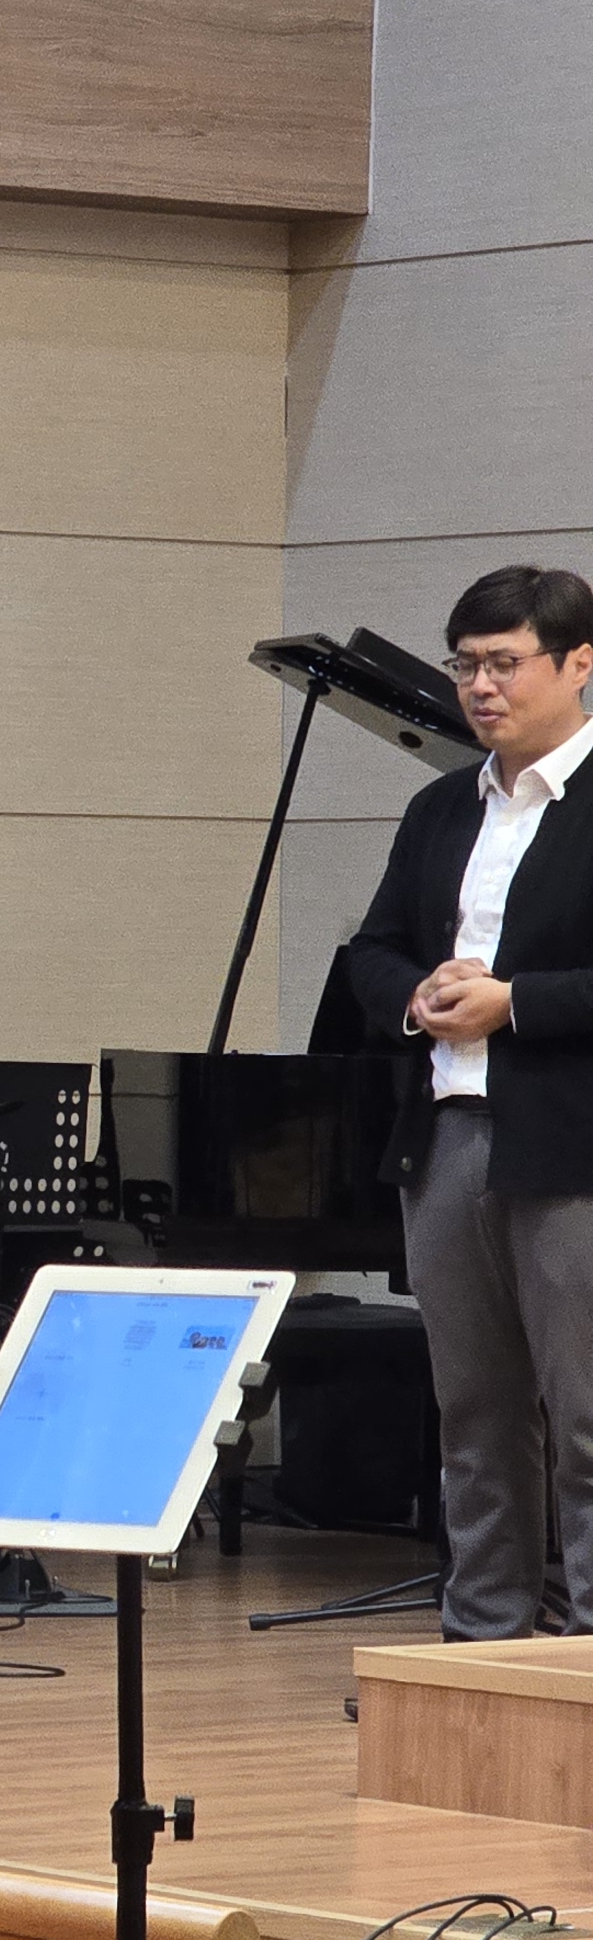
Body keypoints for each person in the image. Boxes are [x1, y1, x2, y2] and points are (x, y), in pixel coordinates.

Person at [346, 561, 593, 1639]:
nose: (479, 687)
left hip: (571, 1148)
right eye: (464, 665)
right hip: (445, 1138)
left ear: (577, 664)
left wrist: (514, 1003)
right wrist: (418, 994)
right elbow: (369, 950)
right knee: (475, 1415)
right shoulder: (441, 805)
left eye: (504, 663)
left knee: (586, 1417)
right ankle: (483, 1643)